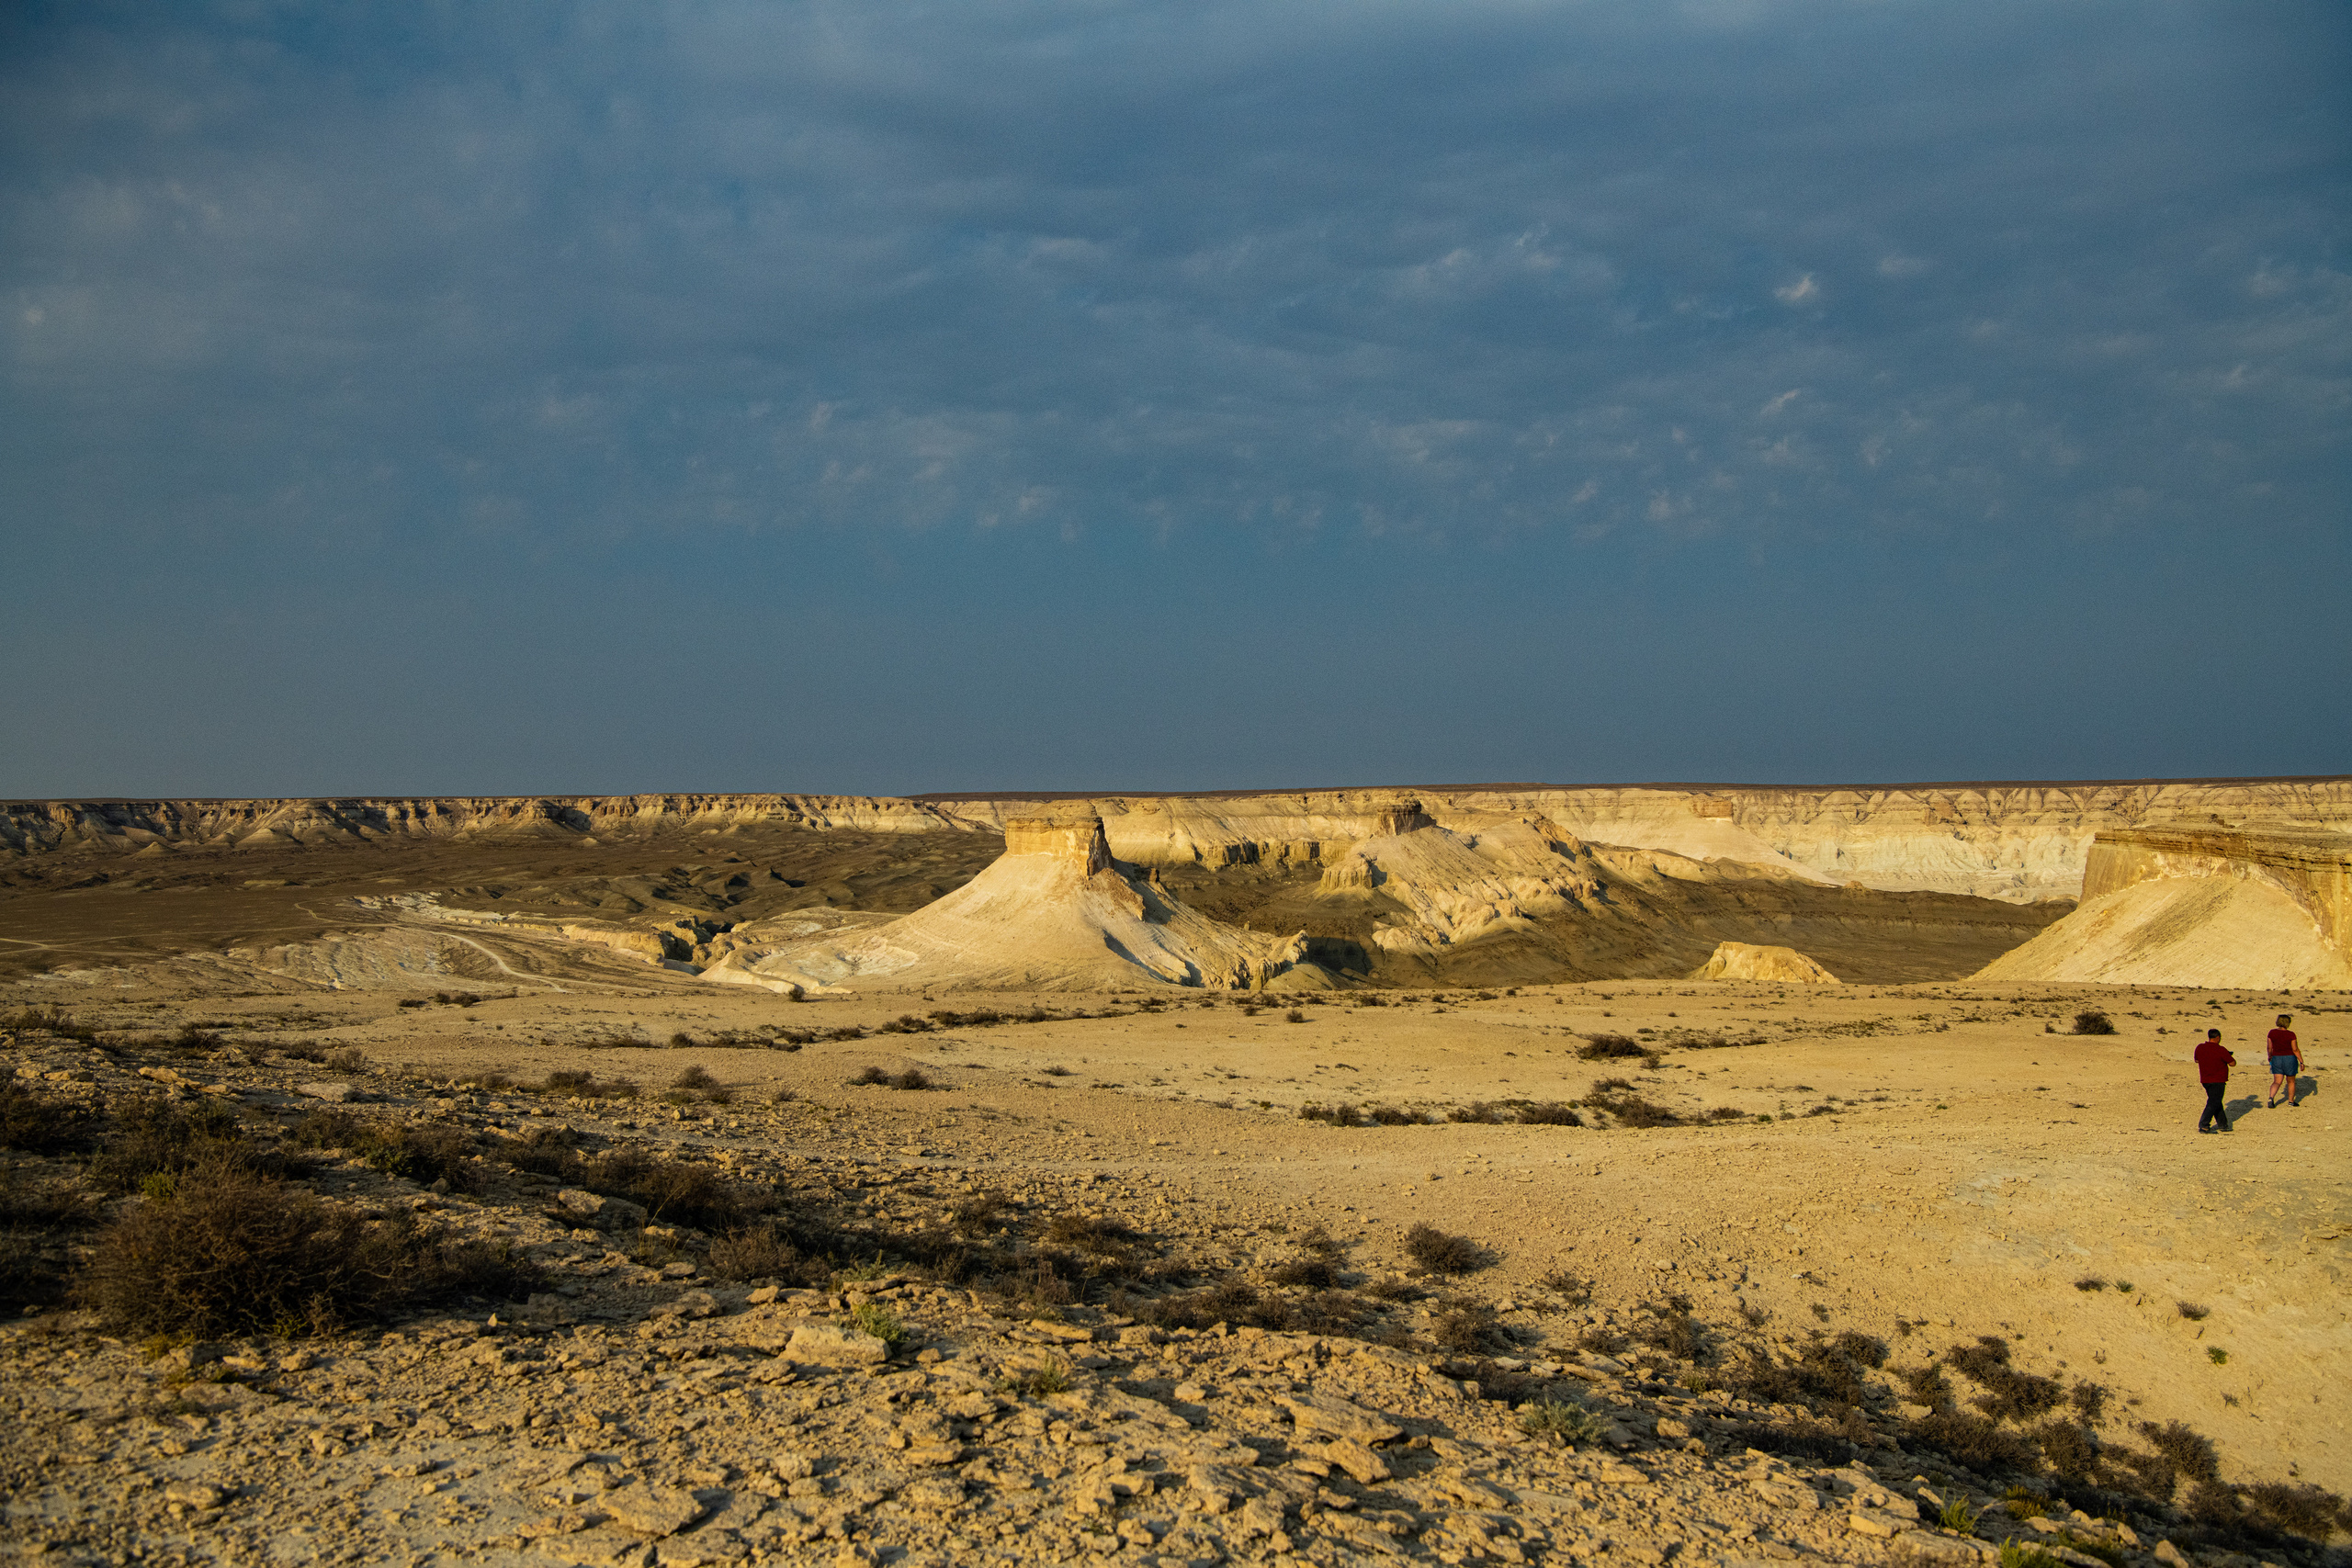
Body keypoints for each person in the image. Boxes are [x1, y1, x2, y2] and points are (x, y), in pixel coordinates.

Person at [2195, 1028, 2234, 1133]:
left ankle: (2223, 1124)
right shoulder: (2220, 1049)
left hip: (2205, 1079)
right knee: (2214, 1102)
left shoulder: (2200, 1047)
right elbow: (2232, 1063)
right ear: (2218, 1038)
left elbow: (2197, 1060)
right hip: (2218, 1080)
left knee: (2216, 1101)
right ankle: (2204, 1125)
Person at [2267, 1013, 2304, 1108]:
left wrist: (2270, 1056)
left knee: (2277, 1081)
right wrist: (2301, 1061)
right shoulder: (2291, 1034)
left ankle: (2271, 1098)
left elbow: (2269, 1048)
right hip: (2289, 1058)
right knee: (2291, 1081)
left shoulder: (2272, 1033)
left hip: (2276, 1058)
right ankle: (2291, 1102)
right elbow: (2295, 1049)